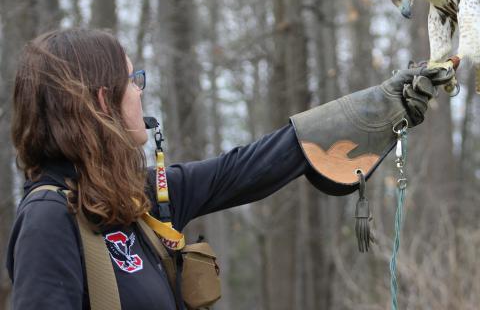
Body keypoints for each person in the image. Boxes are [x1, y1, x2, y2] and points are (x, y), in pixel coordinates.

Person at [5, 28, 450, 310]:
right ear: (102, 100)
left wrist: (378, 106)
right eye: (132, 80)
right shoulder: (50, 220)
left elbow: (246, 169)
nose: (140, 91)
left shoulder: (136, 199)